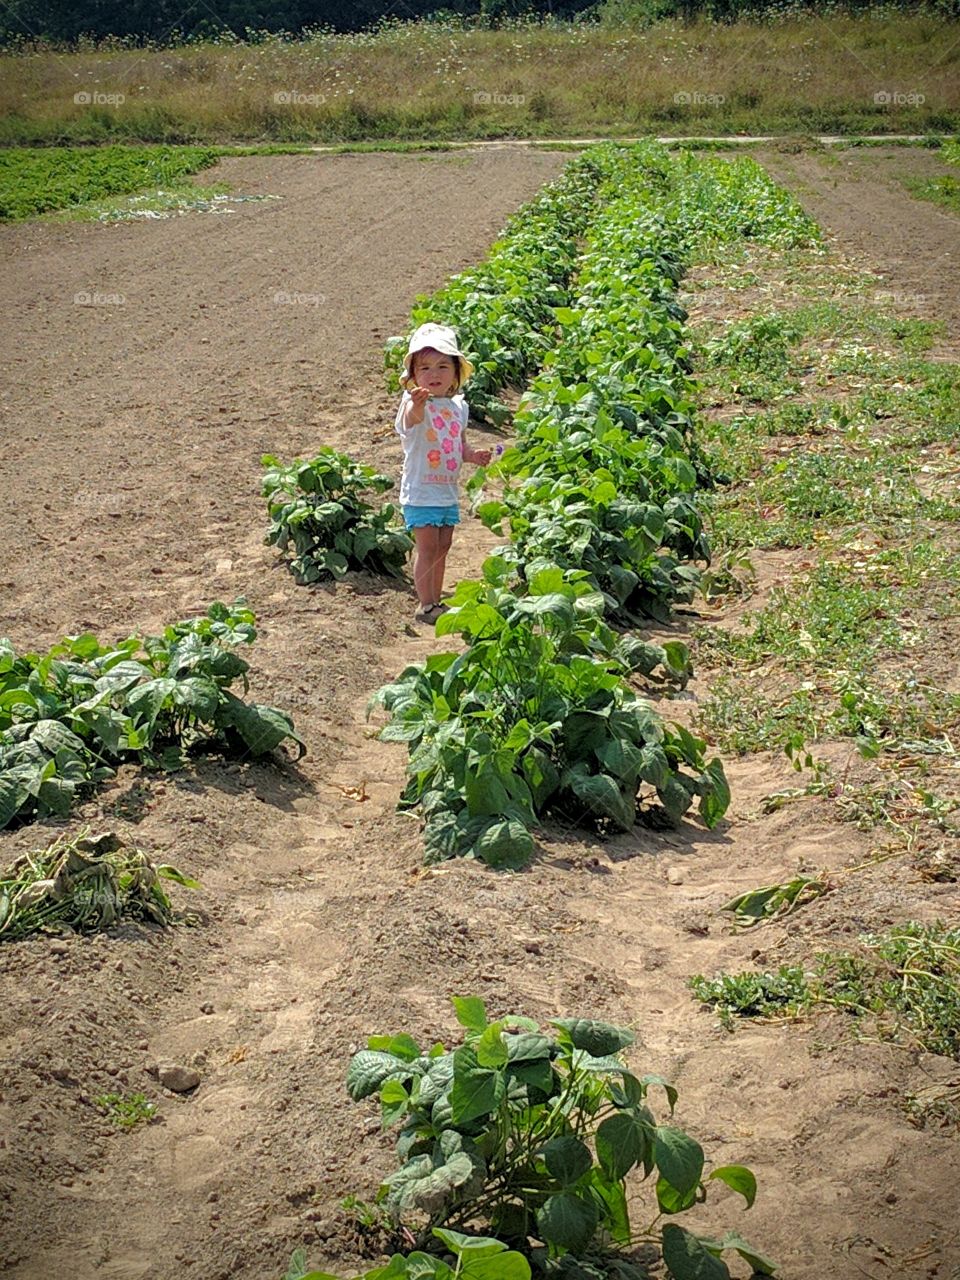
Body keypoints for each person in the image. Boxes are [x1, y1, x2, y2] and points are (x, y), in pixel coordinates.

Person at [395, 322, 491, 624]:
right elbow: (411, 422)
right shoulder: (413, 404)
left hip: (446, 491)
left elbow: (458, 443)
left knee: (443, 546)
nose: (433, 375)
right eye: (424, 368)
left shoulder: (458, 407)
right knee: (427, 546)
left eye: (442, 366)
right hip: (421, 490)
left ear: (455, 373)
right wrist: (418, 405)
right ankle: (425, 605)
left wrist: (473, 456)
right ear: (413, 376)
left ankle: (437, 600)